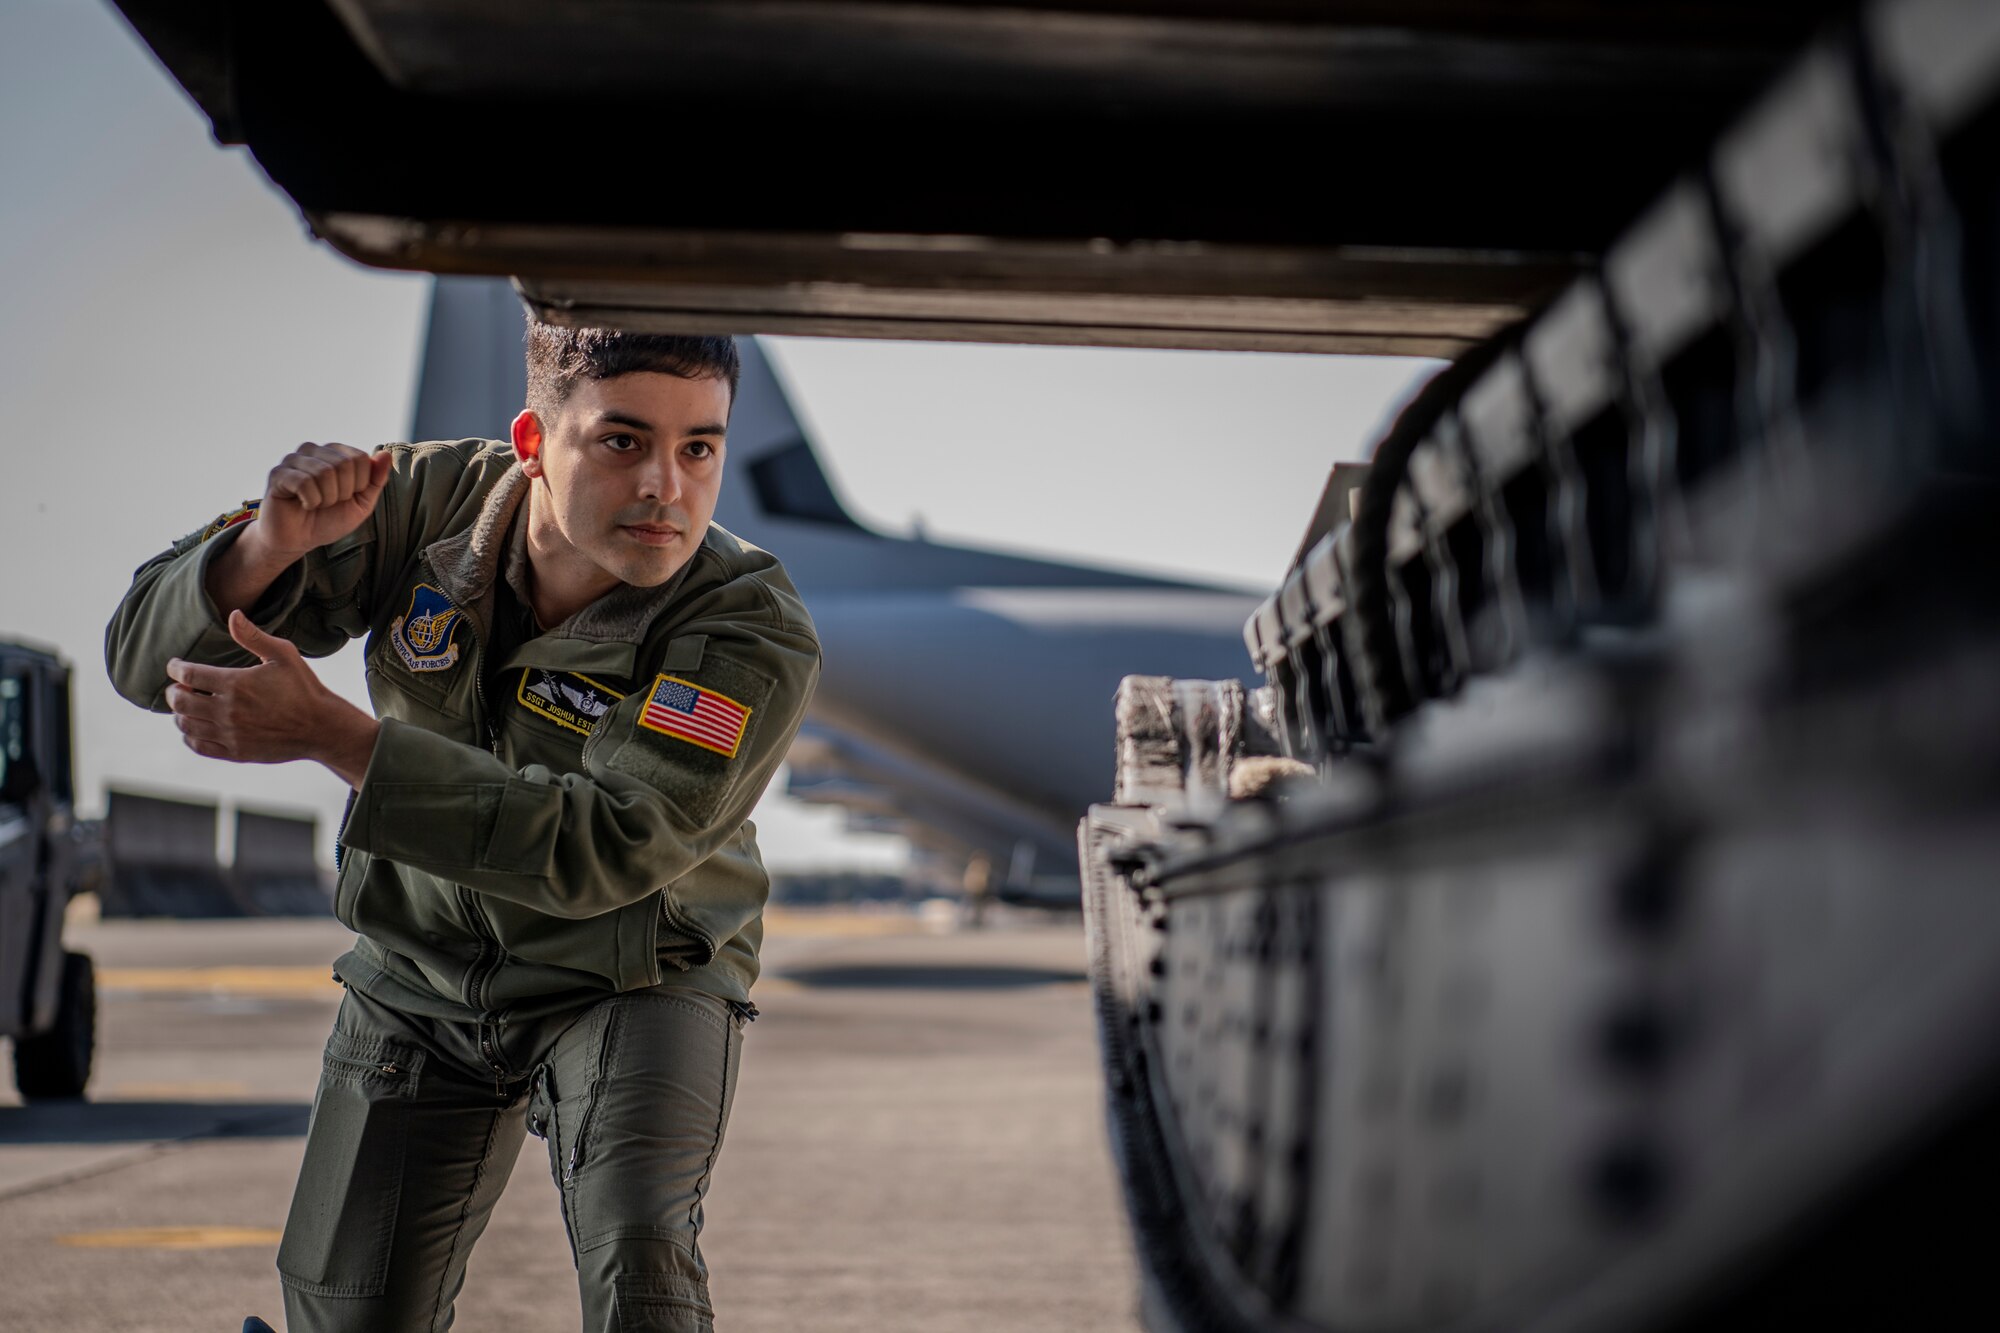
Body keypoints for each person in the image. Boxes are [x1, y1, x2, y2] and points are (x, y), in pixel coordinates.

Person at [105, 323, 820, 1333]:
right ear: (532, 440)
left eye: (699, 447)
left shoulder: (745, 623)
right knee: (344, 1305)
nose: (666, 485)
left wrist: (339, 738)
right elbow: (141, 660)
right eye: (622, 442)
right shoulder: (415, 508)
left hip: (633, 968)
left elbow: (606, 847)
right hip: (421, 969)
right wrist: (266, 545)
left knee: (639, 1266)